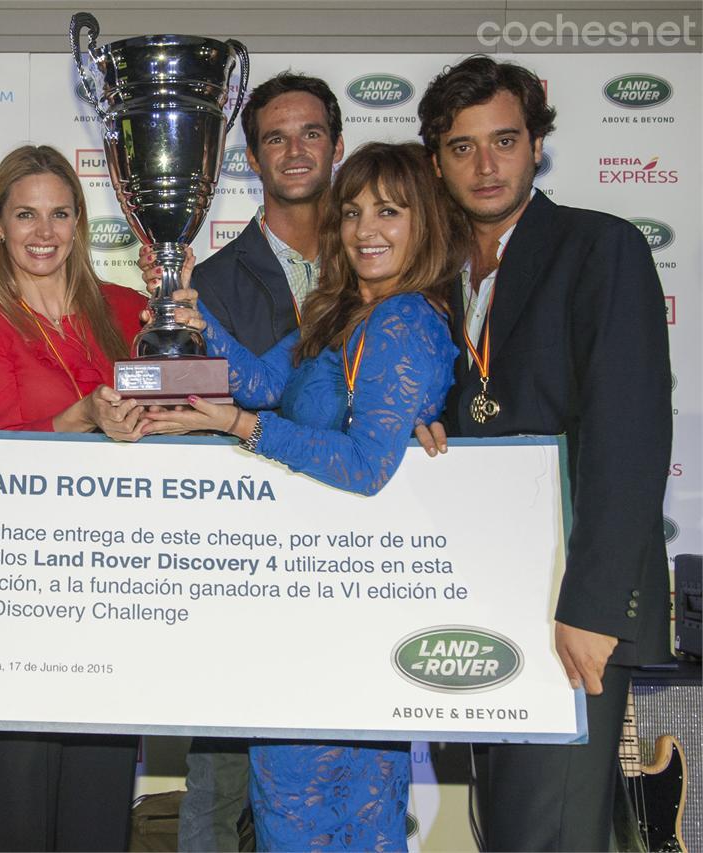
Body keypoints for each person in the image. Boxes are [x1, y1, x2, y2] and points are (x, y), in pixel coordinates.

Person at [142, 141, 469, 850]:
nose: (364, 229)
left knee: (335, 821)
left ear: (427, 223)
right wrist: (197, 320)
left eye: (388, 210)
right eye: (351, 212)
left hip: (353, 607)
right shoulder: (345, 311)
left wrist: (238, 427)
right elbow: (262, 380)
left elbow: (365, 466)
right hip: (307, 603)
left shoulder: (406, 319)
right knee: (287, 808)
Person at [414, 55, 672, 851]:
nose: (486, 165)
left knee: (549, 835)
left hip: (571, 606)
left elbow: (629, 437)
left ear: (536, 146)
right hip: (475, 600)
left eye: (505, 141)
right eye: (463, 147)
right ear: (437, 161)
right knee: (505, 832)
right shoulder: (427, 272)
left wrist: (593, 608)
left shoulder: (601, 248)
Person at [139, 70, 344, 852]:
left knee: (352, 769)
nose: (295, 151)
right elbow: (187, 413)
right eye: (275, 139)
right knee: (220, 785)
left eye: (311, 133)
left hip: (368, 557)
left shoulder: (383, 266)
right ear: (252, 160)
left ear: (337, 144)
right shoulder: (209, 284)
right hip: (245, 564)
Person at [0, 145, 147, 850]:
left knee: (98, 818)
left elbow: (188, 420)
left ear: (79, 223)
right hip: (21, 597)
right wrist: (82, 418)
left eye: (60, 213)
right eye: (25, 212)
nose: (43, 230)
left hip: (116, 591)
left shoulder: (130, 310)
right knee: (17, 816)